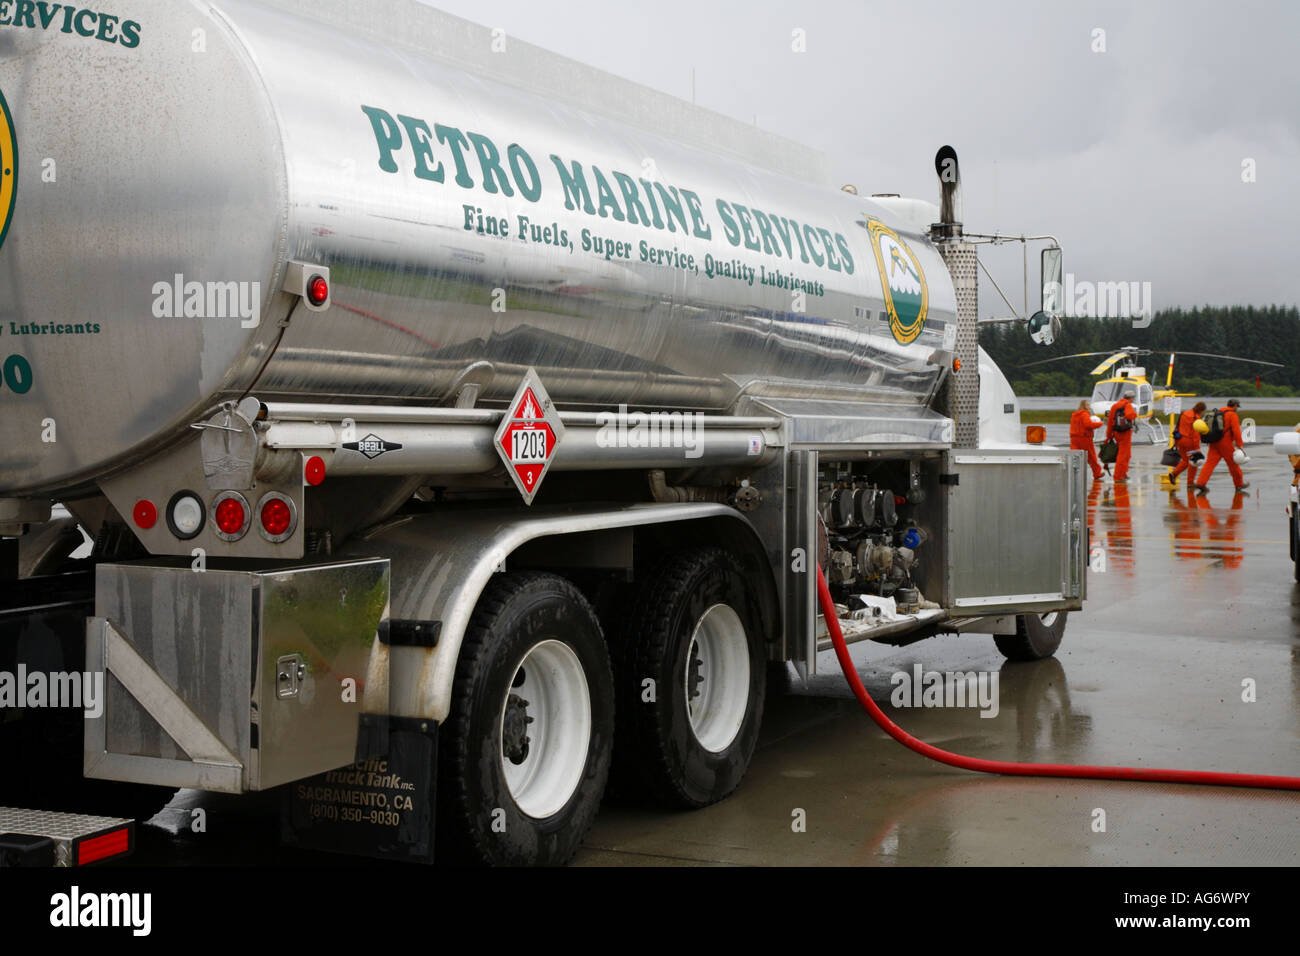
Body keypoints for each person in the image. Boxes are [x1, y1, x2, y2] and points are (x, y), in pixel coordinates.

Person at [1193, 398, 1249, 493]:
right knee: (1233, 464)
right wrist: (1240, 445)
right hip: (1225, 443)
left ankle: (1200, 483)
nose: (1237, 408)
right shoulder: (1232, 415)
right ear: (1235, 406)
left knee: (1209, 464)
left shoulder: (1217, 412)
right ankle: (1239, 484)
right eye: (1237, 406)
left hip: (1214, 441)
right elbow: (1236, 431)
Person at [1167, 401, 1207, 487]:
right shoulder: (1196, 419)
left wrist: (1176, 442)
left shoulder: (1184, 414)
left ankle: (1173, 474)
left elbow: (1177, 427)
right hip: (1190, 443)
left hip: (1181, 441)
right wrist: (1197, 448)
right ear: (1201, 410)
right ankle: (1190, 483)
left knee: (1185, 461)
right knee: (1194, 462)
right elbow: (1196, 434)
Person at [1106, 387, 1138, 482]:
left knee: (1126, 455)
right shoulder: (1128, 405)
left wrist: (1109, 435)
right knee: (1123, 455)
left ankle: (1123, 474)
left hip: (1116, 432)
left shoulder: (1115, 405)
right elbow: (1129, 415)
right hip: (1125, 433)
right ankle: (1118, 477)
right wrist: (1134, 414)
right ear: (1131, 398)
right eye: (1133, 398)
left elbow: (1110, 421)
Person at [1069, 399, 1104, 479]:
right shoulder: (1084, 414)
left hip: (1074, 438)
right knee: (1091, 456)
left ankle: (1071, 473)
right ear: (1085, 406)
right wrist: (1100, 424)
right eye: (1088, 405)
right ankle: (1097, 473)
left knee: (1074, 456)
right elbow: (1088, 425)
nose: (1089, 407)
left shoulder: (1074, 414)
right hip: (1084, 438)